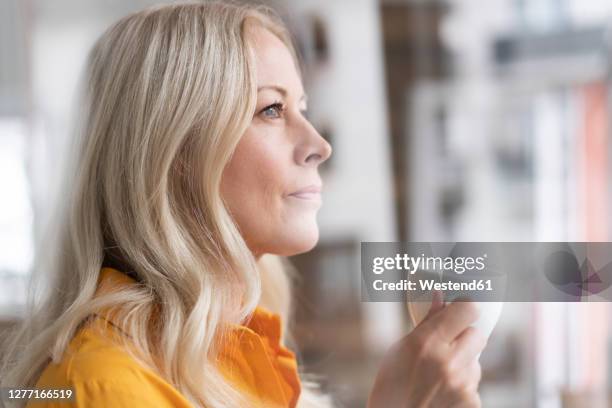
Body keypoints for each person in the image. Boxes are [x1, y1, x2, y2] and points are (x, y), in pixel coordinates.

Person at [0, 2, 486, 407]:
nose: (319, 143)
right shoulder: (104, 388)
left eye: (303, 109)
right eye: (271, 110)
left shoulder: (239, 360)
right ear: (177, 153)